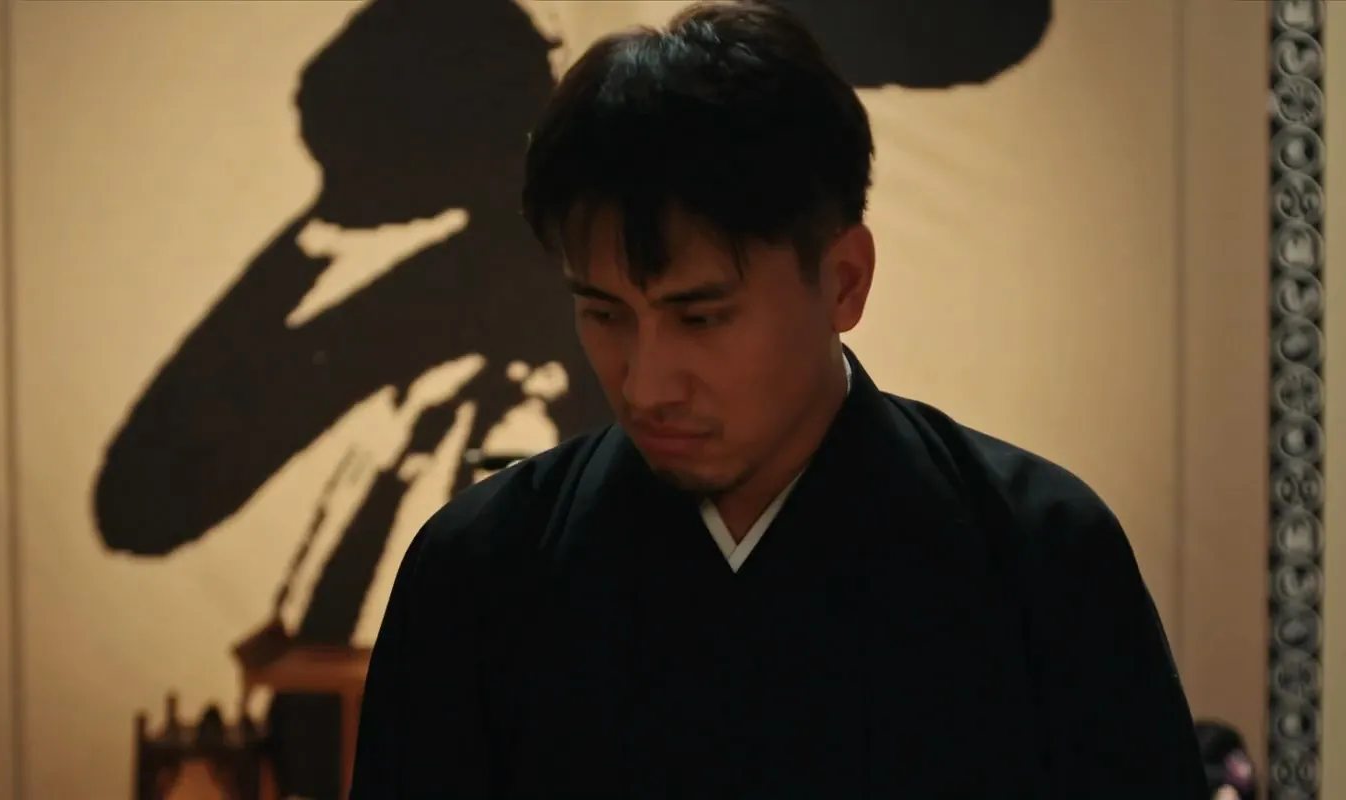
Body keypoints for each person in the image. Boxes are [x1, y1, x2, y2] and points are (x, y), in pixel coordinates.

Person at [350, 1, 1207, 796]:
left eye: (701, 317)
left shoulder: (1042, 559)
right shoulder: (478, 577)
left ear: (845, 280)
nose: (646, 385)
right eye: (605, 314)